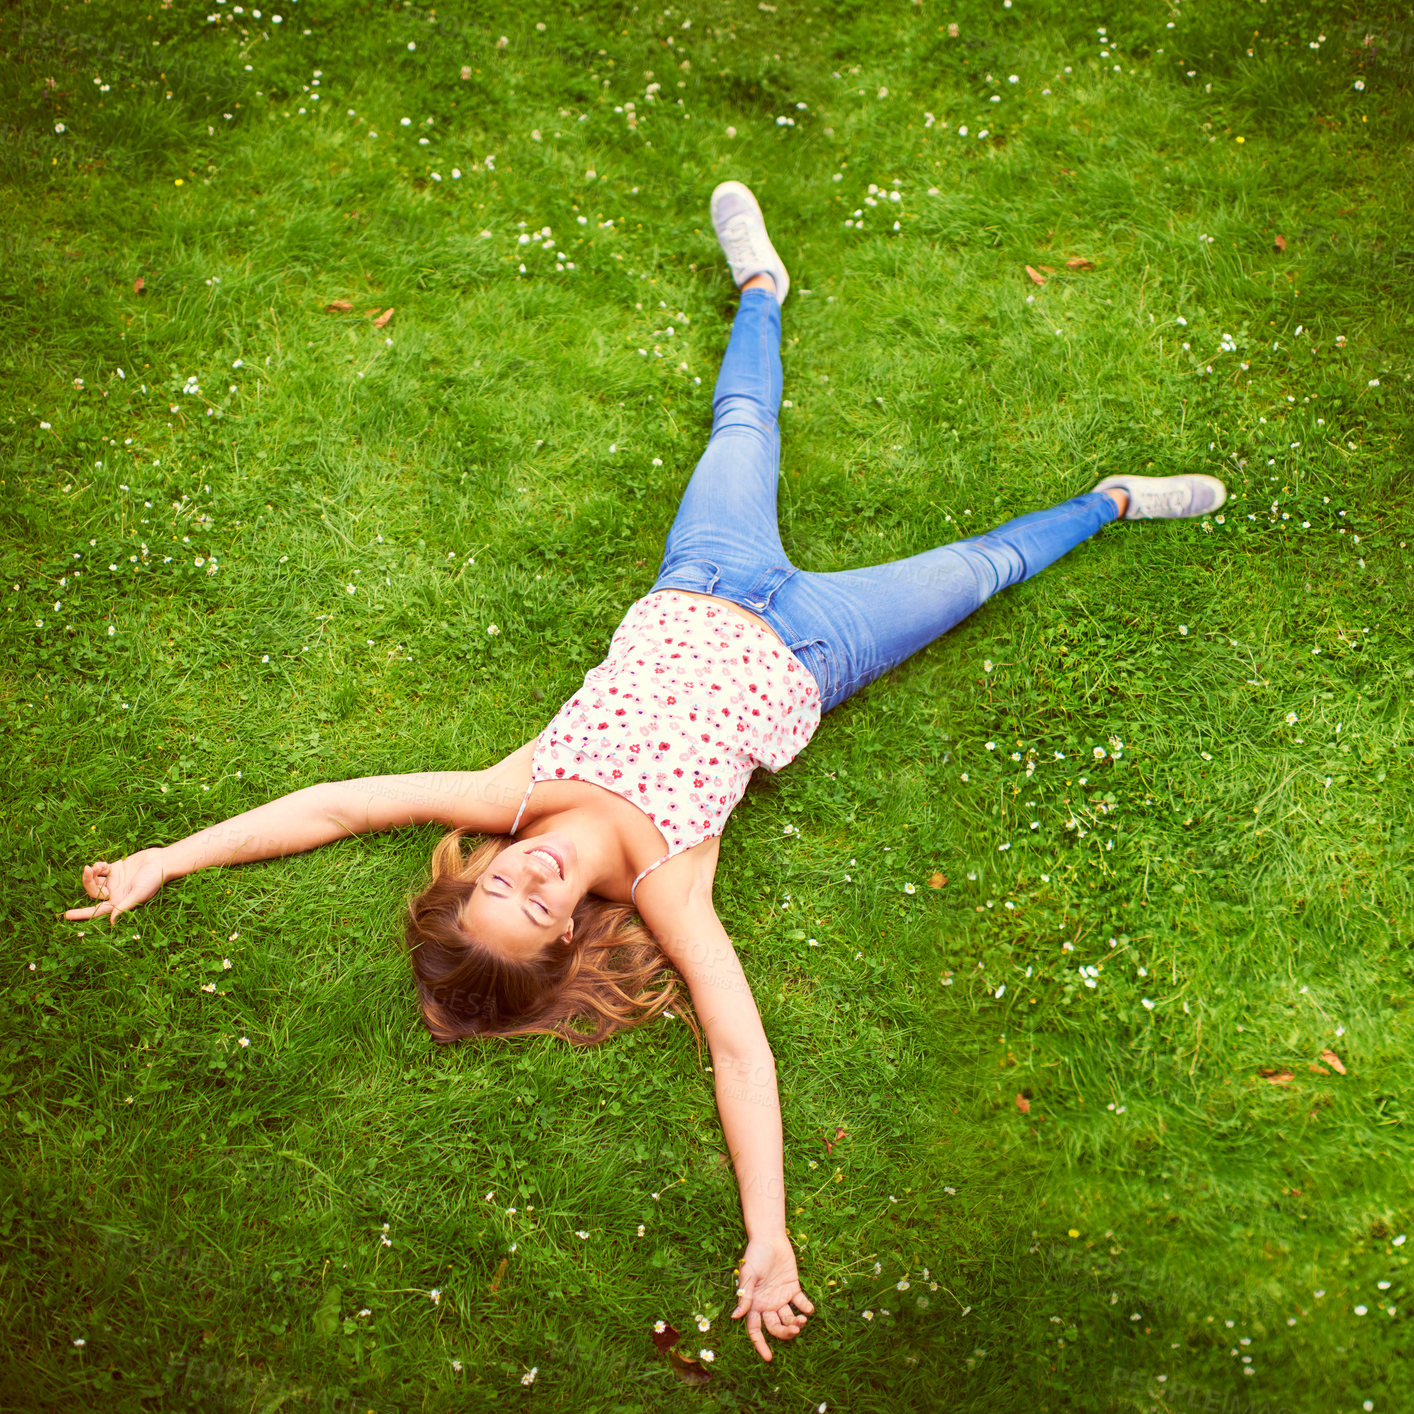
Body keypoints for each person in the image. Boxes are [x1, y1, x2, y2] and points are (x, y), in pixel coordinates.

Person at [65, 182, 1226, 1361]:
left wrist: (173, 854)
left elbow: (341, 804)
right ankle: (1113, 499)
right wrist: (766, 1232)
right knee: (978, 569)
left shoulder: (513, 794)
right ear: (571, 931)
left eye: (500, 883)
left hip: (703, 568)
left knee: (741, 429)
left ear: (480, 865)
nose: (534, 878)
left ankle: (761, 288)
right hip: (823, 642)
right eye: (541, 907)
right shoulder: (668, 882)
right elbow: (737, 1046)